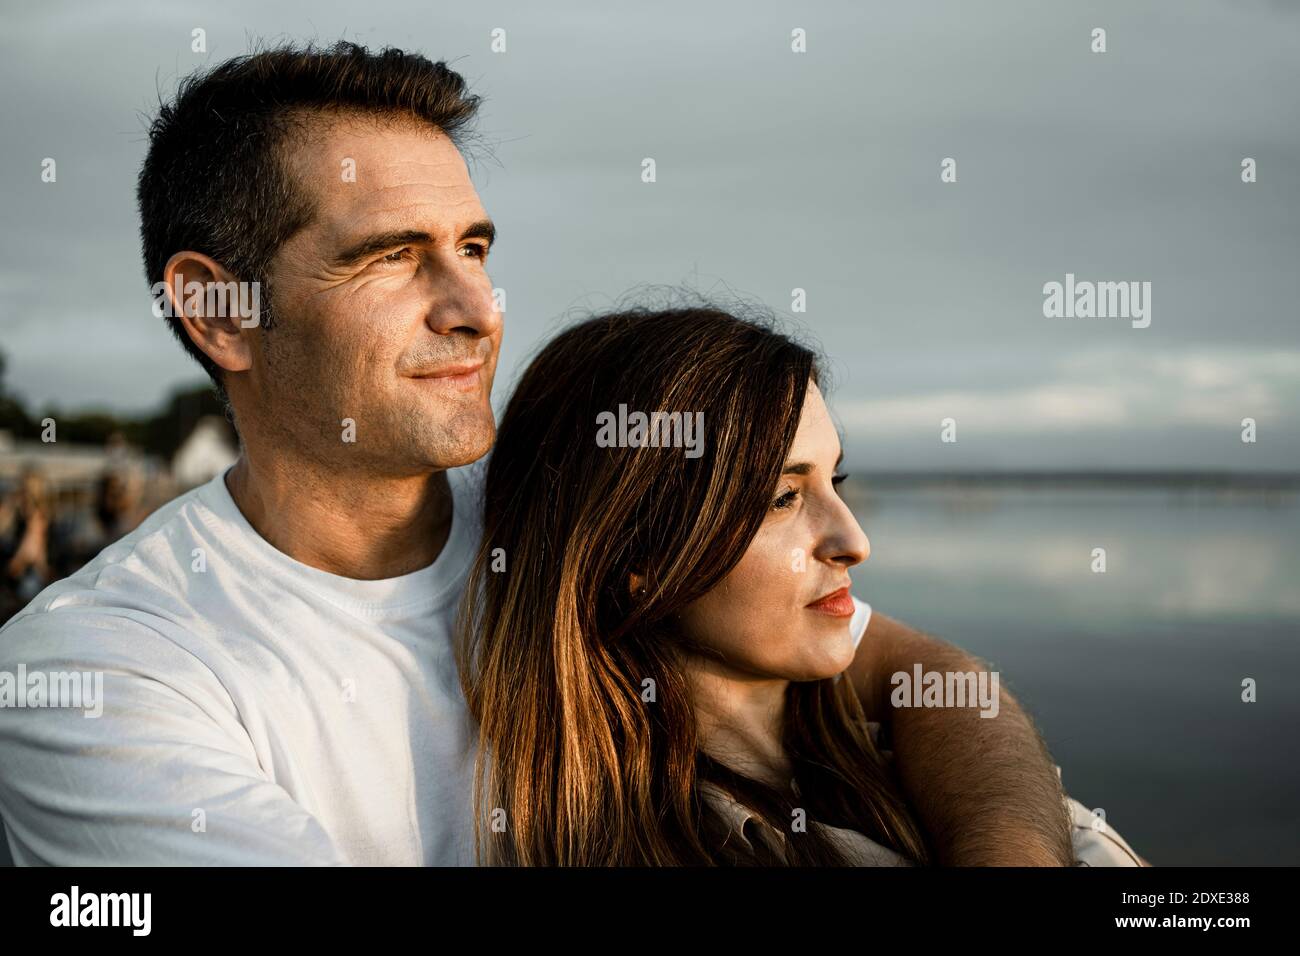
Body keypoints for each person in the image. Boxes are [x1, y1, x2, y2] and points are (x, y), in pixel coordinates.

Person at [0, 42, 1083, 866]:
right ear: (219, 310)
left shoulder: (565, 511)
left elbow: (922, 675)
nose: (475, 308)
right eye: (392, 257)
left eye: (473, 249)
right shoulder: (99, 671)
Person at [457, 304, 1145, 866]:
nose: (855, 541)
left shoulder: (872, 743)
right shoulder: (690, 840)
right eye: (782, 499)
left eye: (834, 480)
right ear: (634, 561)